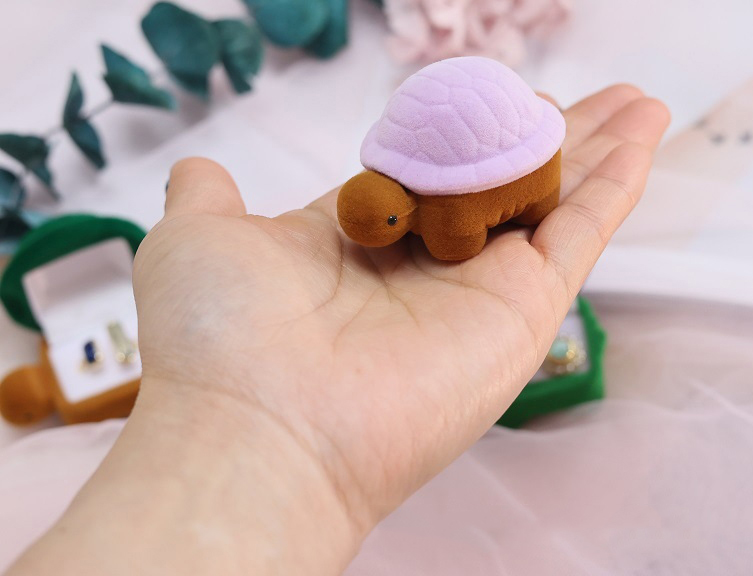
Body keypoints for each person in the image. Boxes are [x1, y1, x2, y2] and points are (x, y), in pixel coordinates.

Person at [7, 85, 669, 576]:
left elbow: (454, 233)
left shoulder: (447, 220)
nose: (375, 237)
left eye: (386, 227)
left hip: (504, 126)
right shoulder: (389, 201)